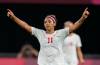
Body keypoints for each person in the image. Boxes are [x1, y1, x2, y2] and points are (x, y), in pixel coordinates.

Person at [7, 8, 89, 65]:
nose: (47, 23)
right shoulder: (40, 33)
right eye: (45, 22)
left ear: (54, 24)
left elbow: (74, 26)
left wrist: (83, 18)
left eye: (49, 21)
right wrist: (13, 18)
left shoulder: (61, 33)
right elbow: (25, 26)